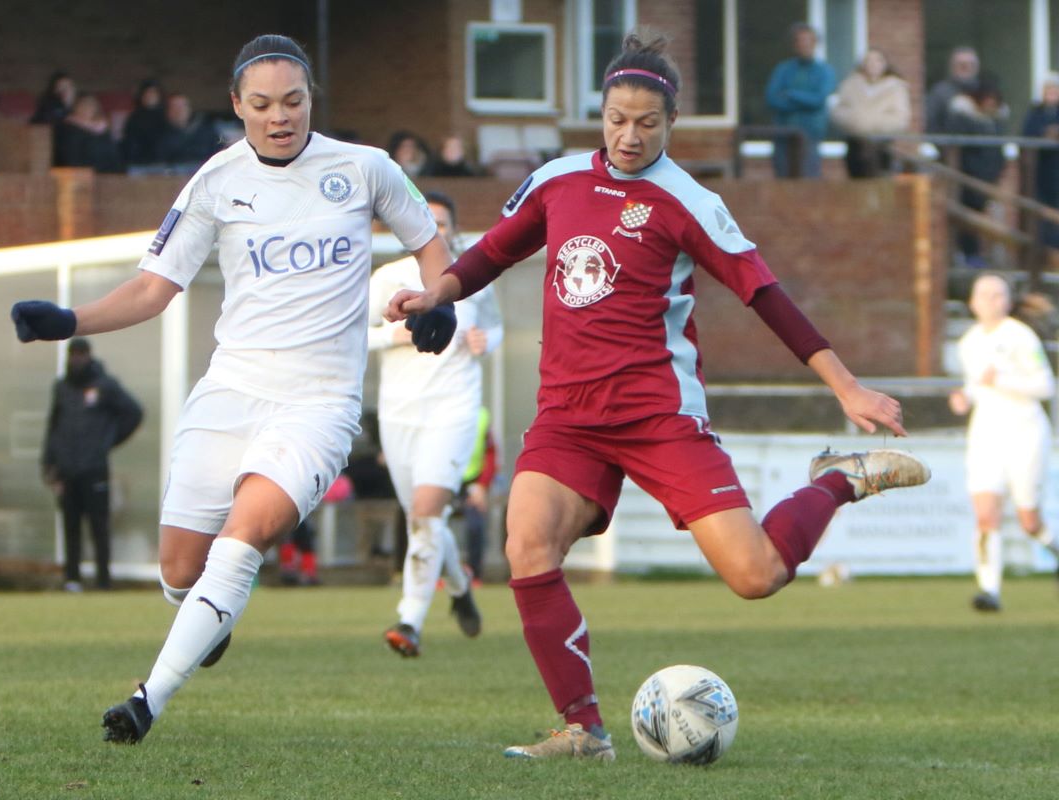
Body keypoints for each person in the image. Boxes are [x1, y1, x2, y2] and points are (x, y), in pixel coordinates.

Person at [385, 30, 930, 761]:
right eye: (616, 118)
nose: (629, 135)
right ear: (601, 112)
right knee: (527, 545)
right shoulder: (558, 180)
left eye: (647, 123)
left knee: (756, 575)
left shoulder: (688, 202)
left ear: (670, 125)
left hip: (658, 415)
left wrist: (846, 383)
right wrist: (439, 293)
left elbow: (763, 294)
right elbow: (494, 250)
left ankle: (838, 480)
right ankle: (584, 729)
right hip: (569, 416)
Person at [9, 33, 454, 745]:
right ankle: (202, 616)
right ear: (236, 107)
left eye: (294, 101)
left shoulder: (365, 168)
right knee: (181, 570)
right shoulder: (215, 182)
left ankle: (147, 697)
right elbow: (154, 288)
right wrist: (69, 320)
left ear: (312, 99)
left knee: (241, 539)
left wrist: (440, 298)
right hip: (232, 390)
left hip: (319, 402)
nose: (281, 117)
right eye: (263, 104)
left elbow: (427, 238)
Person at [368, 191, 503, 657]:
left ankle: (410, 620)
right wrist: (400, 334)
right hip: (400, 412)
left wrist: (487, 340)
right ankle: (460, 586)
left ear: (454, 229)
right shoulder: (388, 279)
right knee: (422, 517)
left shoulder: (473, 280)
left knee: (427, 511)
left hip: (454, 409)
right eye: (428, 222)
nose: (436, 231)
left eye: (444, 223)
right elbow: (359, 335)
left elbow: (495, 327)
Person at [948, 275, 1058, 612]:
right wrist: (964, 397)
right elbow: (976, 386)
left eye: (998, 295)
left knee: (1029, 520)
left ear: (1007, 302)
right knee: (985, 514)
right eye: (985, 294)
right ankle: (989, 590)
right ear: (973, 303)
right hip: (986, 435)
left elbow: (1045, 387)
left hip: (1024, 432)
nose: (991, 301)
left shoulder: (1019, 336)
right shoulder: (968, 342)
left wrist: (1004, 380)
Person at [42, 338, 143, 591]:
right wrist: (49, 464)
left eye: (81, 354)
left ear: (89, 356)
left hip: (94, 469)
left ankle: (102, 581)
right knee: (70, 526)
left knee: (99, 526)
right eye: (72, 354)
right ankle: (72, 579)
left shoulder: (105, 385)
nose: (76, 359)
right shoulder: (62, 388)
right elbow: (53, 427)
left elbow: (134, 412)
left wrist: (107, 441)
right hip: (67, 470)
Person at [946, 81, 1008, 267]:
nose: (990, 104)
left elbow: (998, 153)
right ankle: (969, 257)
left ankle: (991, 259)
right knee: (968, 221)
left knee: (990, 221)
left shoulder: (996, 124)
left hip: (989, 180)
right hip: (970, 178)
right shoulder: (966, 120)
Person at [764, 23, 835, 178]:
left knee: (808, 178)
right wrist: (804, 101)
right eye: (800, 41)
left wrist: (791, 94)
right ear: (794, 44)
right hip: (783, 133)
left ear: (815, 43)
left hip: (810, 134)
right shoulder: (783, 69)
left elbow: (818, 100)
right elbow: (772, 98)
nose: (804, 45)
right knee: (783, 177)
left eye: (808, 40)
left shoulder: (824, 71)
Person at [829, 49, 911, 178]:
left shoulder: (895, 88)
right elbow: (838, 111)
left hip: (882, 146)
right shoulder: (850, 85)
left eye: (877, 60)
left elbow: (900, 118)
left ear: (884, 64)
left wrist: (872, 124)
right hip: (855, 144)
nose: (872, 64)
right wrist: (856, 122)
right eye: (869, 60)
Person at [459, 406, 498, 586]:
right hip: (444, 478)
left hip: (472, 481)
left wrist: (482, 486)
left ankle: (473, 573)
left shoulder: (481, 415)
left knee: (475, 523)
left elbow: (490, 454)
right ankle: (433, 575)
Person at [1021, 73, 1059, 248]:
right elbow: (1027, 136)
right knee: (1042, 212)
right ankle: (1045, 248)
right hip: (1041, 171)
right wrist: (1044, 135)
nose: (1051, 94)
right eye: (1048, 90)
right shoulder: (1035, 112)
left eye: (1054, 90)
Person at [54, 93, 123, 172]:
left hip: (108, 174)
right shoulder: (69, 129)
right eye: (84, 105)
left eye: (91, 105)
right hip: (81, 175)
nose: (87, 108)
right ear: (76, 107)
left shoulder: (103, 128)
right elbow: (71, 158)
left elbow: (114, 155)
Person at [156, 93, 223, 172]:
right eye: (175, 107)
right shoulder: (158, 135)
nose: (179, 111)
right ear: (167, 111)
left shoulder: (207, 131)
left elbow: (218, 156)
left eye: (182, 106)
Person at [925, 47, 981, 134]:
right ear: (952, 67)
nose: (967, 68)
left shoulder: (985, 91)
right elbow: (930, 123)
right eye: (962, 65)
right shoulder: (940, 92)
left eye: (971, 65)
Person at [122, 79, 168, 169]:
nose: (150, 96)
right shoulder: (134, 118)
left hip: (162, 163)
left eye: (153, 93)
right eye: (147, 93)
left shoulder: (166, 116)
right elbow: (129, 142)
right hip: (139, 164)